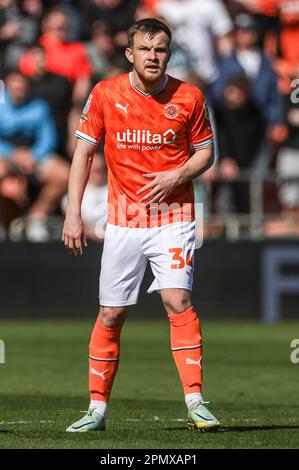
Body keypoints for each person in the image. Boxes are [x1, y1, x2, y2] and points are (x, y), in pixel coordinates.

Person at [62, 18, 219, 432]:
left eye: (162, 49)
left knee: (177, 301)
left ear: (169, 53)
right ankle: (96, 410)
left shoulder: (189, 96)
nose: (154, 56)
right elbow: (83, 154)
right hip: (124, 220)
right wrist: (73, 212)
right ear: (130, 53)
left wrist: (177, 175)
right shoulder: (104, 93)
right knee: (111, 314)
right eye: (146, 49)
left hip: (174, 217)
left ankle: (196, 401)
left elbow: (206, 153)